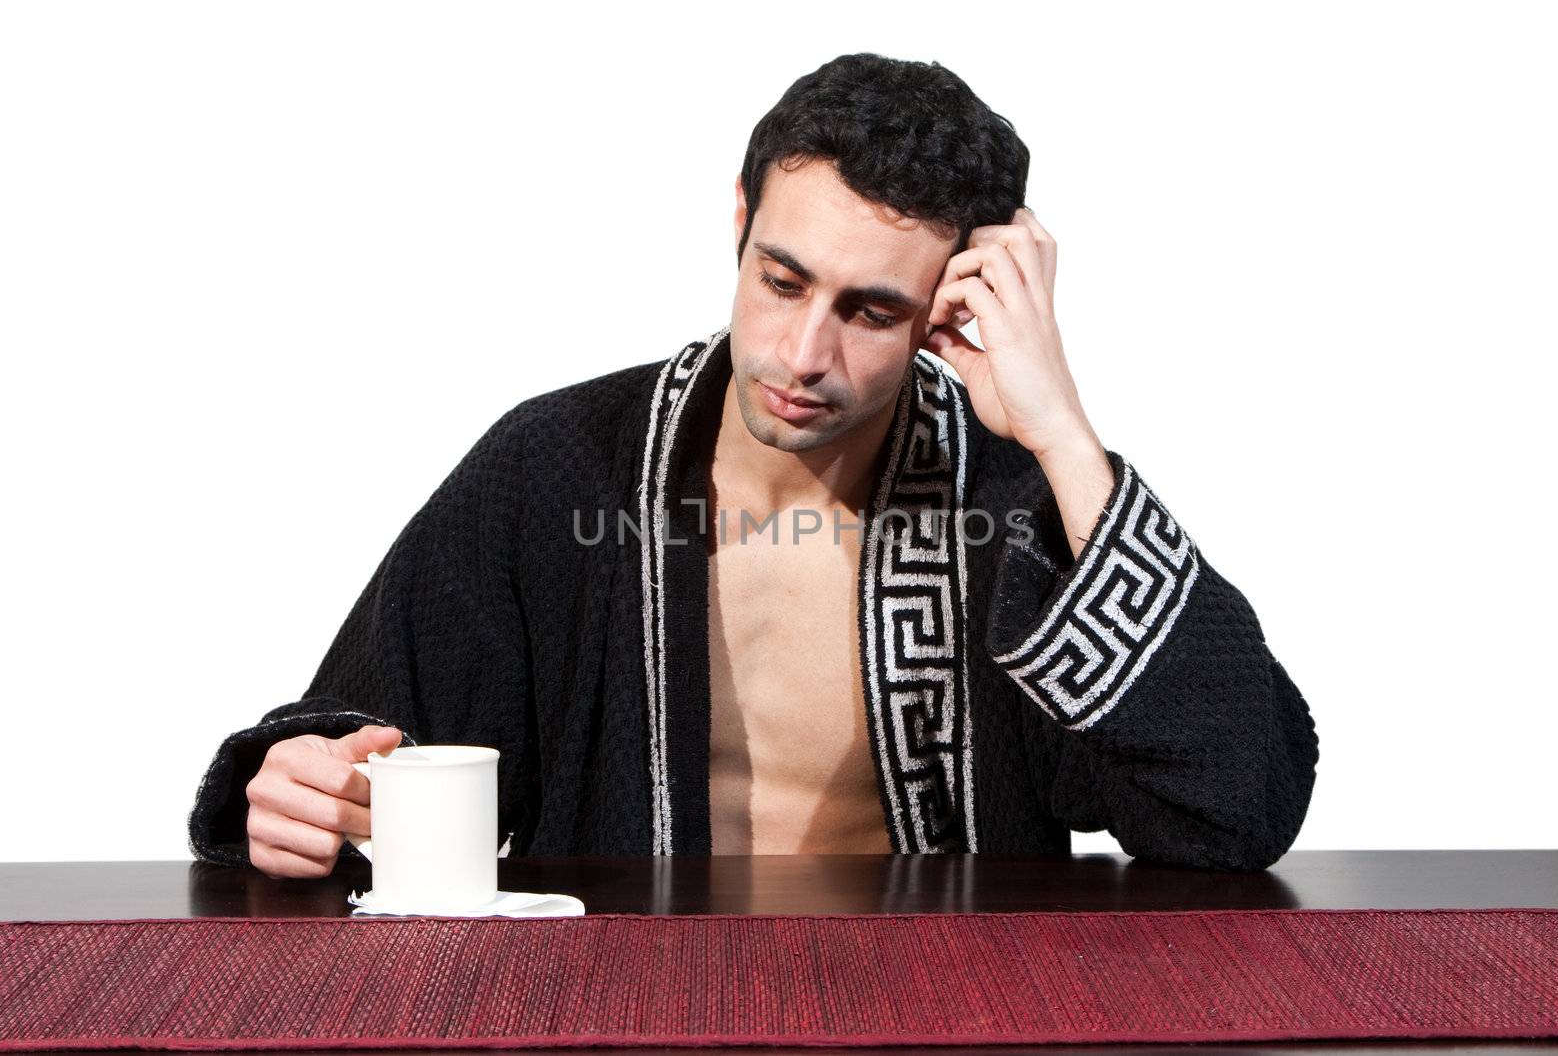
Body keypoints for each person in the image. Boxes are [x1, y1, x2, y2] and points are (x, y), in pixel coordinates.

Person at [187, 52, 1318, 877]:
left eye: (871, 310)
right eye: (782, 281)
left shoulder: (1012, 505)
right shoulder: (559, 470)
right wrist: (293, 789)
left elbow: (1237, 803)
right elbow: (351, 743)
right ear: (739, 219)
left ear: (948, 309)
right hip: (627, 1017)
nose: (802, 354)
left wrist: (1065, 435)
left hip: (951, 1014)